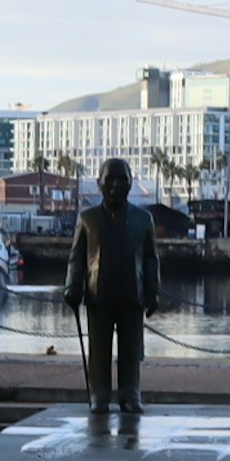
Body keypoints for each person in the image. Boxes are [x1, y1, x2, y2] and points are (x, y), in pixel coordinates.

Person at [65, 157, 159, 417]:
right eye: (110, 179)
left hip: (132, 294)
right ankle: (100, 395)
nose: (116, 184)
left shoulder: (143, 219)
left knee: (131, 350)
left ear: (130, 184)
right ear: (99, 183)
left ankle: (130, 394)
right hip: (99, 294)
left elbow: (151, 258)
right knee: (99, 349)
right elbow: (77, 257)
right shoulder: (87, 219)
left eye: (122, 179)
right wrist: (72, 287)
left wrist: (153, 291)